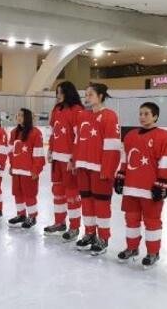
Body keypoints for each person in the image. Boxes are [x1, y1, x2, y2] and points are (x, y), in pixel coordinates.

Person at [114, 102, 167, 268]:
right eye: (140, 113)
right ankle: (132, 248)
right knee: (131, 219)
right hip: (131, 187)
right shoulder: (130, 136)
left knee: (152, 221)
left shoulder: (164, 136)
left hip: (150, 188)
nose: (142, 117)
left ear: (155, 116)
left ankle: (153, 252)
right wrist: (121, 176)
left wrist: (163, 184)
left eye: (146, 114)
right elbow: (125, 159)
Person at [71, 83, 121, 255]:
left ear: (100, 96)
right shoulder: (82, 115)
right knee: (86, 202)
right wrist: (74, 160)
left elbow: (113, 147)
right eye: (86, 94)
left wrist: (108, 169)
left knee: (101, 204)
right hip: (83, 167)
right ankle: (90, 233)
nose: (87, 97)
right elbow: (77, 140)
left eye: (90, 94)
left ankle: (103, 237)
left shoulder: (110, 116)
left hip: (100, 169)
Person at [45, 81, 84, 240]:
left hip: (69, 159)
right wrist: (50, 149)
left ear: (69, 92)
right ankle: (59, 222)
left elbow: (79, 137)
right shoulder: (56, 109)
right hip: (56, 159)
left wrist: (73, 158)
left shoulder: (77, 110)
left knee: (71, 194)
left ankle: (74, 226)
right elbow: (53, 133)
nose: (58, 95)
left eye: (61, 92)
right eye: (57, 92)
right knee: (58, 192)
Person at [7, 108, 45, 229]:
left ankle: (32, 216)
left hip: (29, 171)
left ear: (27, 117)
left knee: (29, 194)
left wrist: (36, 169)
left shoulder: (35, 132)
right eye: (17, 115)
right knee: (17, 193)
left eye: (21, 115)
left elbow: (39, 154)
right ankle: (21, 214)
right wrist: (12, 166)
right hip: (17, 169)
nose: (18, 117)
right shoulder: (13, 132)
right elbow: (11, 151)